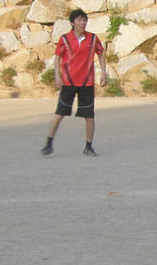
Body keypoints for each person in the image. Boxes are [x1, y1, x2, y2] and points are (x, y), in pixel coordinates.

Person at [40, 8, 108, 157]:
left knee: (89, 116)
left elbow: (101, 54)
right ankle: (49, 143)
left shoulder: (92, 38)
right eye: (79, 20)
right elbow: (57, 58)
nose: (82, 23)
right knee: (59, 113)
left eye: (84, 20)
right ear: (72, 23)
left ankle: (88, 146)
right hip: (69, 82)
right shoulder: (64, 39)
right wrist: (57, 76)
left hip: (86, 82)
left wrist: (103, 72)